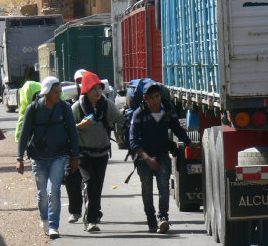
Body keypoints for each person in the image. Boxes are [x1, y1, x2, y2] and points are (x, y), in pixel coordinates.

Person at [17, 76, 80, 240]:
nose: (58, 94)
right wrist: (19, 158)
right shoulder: (34, 109)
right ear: (46, 92)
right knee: (42, 193)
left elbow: (73, 132)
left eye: (60, 91)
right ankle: (44, 219)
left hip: (59, 156)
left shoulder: (64, 108)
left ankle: (53, 226)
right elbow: (24, 135)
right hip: (38, 157)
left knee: (54, 191)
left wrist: (75, 156)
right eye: (55, 91)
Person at [129, 81, 196, 233]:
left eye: (157, 96)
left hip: (162, 156)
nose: (155, 100)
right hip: (143, 159)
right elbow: (133, 141)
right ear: (145, 98)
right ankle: (151, 219)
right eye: (151, 98)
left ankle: (163, 218)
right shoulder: (139, 114)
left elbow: (176, 128)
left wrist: (189, 142)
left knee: (164, 189)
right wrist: (147, 158)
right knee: (147, 191)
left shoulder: (168, 109)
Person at [71, 72, 126, 232]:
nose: (97, 92)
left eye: (99, 88)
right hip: (83, 154)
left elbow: (120, 119)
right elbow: (67, 129)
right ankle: (90, 221)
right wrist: (79, 126)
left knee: (97, 186)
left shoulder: (107, 105)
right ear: (86, 91)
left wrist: (134, 115)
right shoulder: (77, 108)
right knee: (89, 184)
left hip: (101, 153)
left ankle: (93, 214)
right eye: (93, 89)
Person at [63, 69, 87, 224]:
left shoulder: (97, 102)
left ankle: (92, 212)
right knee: (71, 179)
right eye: (78, 81)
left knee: (91, 183)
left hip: (89, 148)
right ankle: (75, 211)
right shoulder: (67, 104)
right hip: (71, 149)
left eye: (83, 81)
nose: (81, 84)